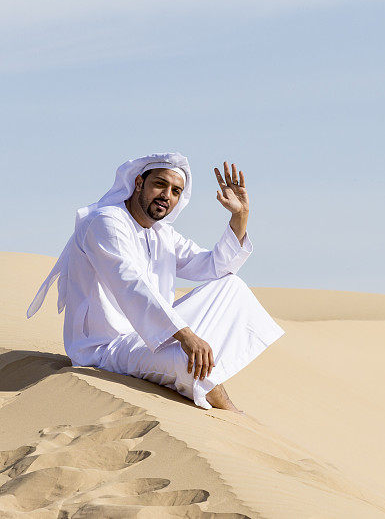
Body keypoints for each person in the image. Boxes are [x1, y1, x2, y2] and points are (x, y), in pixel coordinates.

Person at [26, 152, 285, 412]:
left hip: (149, 337)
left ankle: (202, 377)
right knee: (187, 359)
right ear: (139, 182)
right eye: (160, 184)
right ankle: (228, 410)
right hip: (104, 350)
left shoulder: (162, 234)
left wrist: (240, 215)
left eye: (175, 191)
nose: (167, 195)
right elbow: (131, 286)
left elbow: (214, 267)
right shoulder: (106, 222)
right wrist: (186, 336)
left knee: (231, 286)